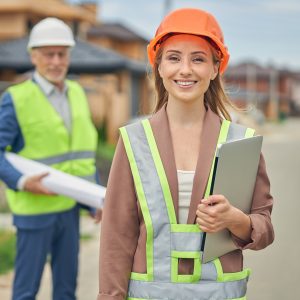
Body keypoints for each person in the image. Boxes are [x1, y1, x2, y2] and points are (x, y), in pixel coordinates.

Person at [98, 8, 274, 300]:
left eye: (198, 59)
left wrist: (235, 219)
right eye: (174, 57)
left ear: (215, 68)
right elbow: (117, 237)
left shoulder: (240, 142)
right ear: (159, 66)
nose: (185, 70)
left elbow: (264, 228)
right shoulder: (134, 141)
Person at [0, 18, 102, 300]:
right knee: (25, 291)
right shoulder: (17, 98)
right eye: (49, 54)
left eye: (62, 54)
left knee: (67, 291)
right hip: (35, 211)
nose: (56, 61)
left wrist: (95, 199)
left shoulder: (79, 93)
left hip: (69, 210)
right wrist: (21, 181)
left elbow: (83, 155)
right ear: (34, 56)